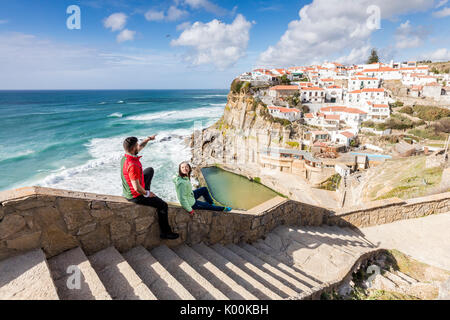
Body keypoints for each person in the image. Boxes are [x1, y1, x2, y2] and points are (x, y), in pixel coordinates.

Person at [121, 136, 179, 240]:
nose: (139, 146)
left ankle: (146, 191)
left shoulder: (125, 157)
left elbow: (140, 147)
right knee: (163, 205)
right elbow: (136, 187)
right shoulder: (132, 165)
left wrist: (148, 139)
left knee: (149, 170)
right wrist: (147, 193)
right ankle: (165, 232)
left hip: (128, 190)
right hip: (135, 196)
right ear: (133, 148)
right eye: (137, 145)